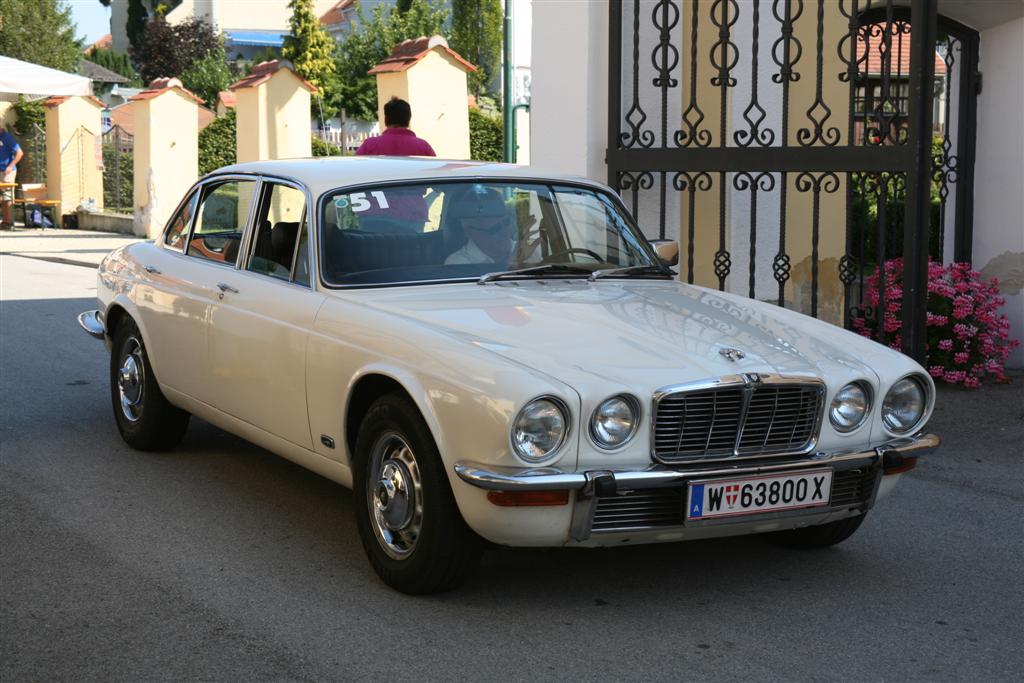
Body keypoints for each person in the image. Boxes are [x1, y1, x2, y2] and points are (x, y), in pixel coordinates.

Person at [445, 186, 539, 265]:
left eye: (507, 222)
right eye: (494, 229)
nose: (505, 232)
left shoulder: (526, 249)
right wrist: (514, 260)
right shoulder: (457, 262)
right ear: (469, 232)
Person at [356, 97, 436, 157]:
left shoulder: (369, 146)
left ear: (386, 118)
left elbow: (353, 170)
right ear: (409, 118)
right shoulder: (423, 147)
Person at [0, 124, 24, 229]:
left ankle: (9, 222)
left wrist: (10, 166)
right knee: (3, 198)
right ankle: (5, 222)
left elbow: (20, 153)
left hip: (7, 171)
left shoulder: (7, 137)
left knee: (7, 197)